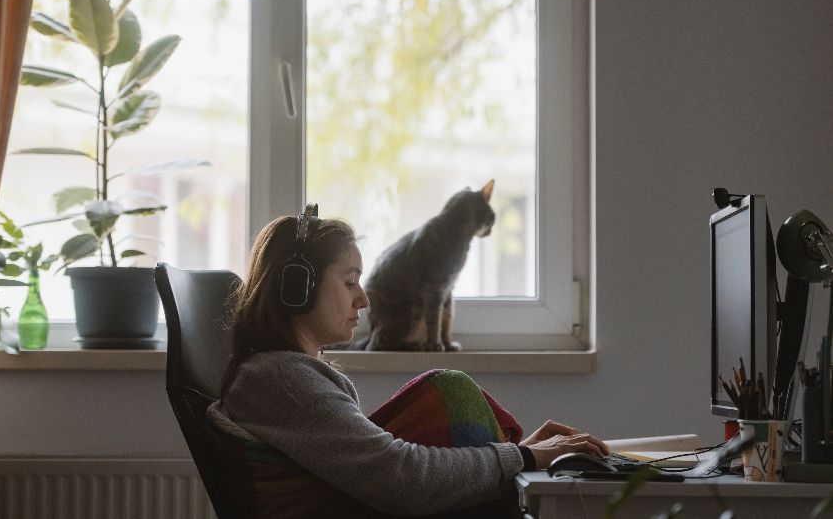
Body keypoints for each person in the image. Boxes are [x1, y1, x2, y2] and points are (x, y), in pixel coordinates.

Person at [210, 210, 608, 517]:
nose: (363, 300)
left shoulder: (283, 374)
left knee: (445, 389)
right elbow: (400, 477)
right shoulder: (281, 379)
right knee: (448, 390)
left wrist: (521, 453)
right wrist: (521, 458)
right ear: (298, 286)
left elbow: (379, 465)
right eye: (349, 282)